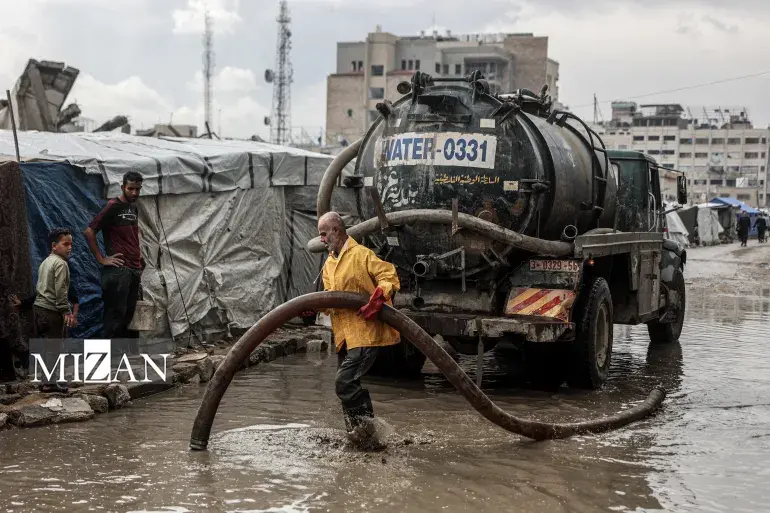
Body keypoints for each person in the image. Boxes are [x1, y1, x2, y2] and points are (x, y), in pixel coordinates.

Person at [313, 211, 401, 447]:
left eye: (323, 234)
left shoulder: (361, 255)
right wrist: (313, 308)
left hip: (365, 333)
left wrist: (378, 298)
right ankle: (360, 437)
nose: (321, 239)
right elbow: (333, 302)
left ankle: (366, 431)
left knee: (344, 383)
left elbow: (388, 275)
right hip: (344, 337)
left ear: (336, 231)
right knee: (348, 386)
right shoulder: (330, 263)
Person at [84, 170, 144, 339]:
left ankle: (123, 357)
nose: (134, 193)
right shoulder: (113, 206)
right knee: (115, 317)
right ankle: (110, 358)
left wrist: (140, 260)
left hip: (134, 268)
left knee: (129, 316)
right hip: (119, 271)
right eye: (131, 188)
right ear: (122, 187)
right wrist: (102, 259)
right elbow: (89, 232)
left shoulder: (133, 208)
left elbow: (132, 237)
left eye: (138, 189)